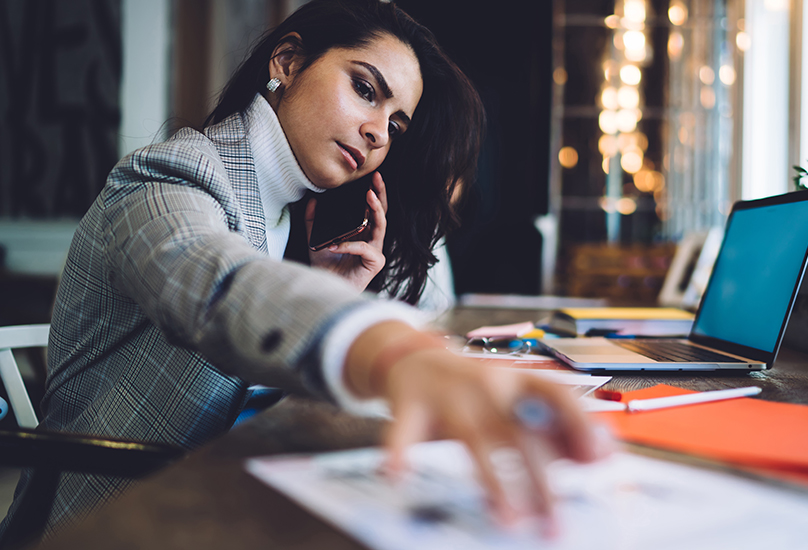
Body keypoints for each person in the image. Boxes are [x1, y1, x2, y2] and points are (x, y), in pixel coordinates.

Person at [0, 0, 607, 540]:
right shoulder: (166, 175)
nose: (376, 133)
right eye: (366, 89)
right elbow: (213, 284)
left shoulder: (292, 216)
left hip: (231, 488)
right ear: (287, 62)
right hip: (125, 511)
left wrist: (329, 291)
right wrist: (392, 351)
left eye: (396, 124)